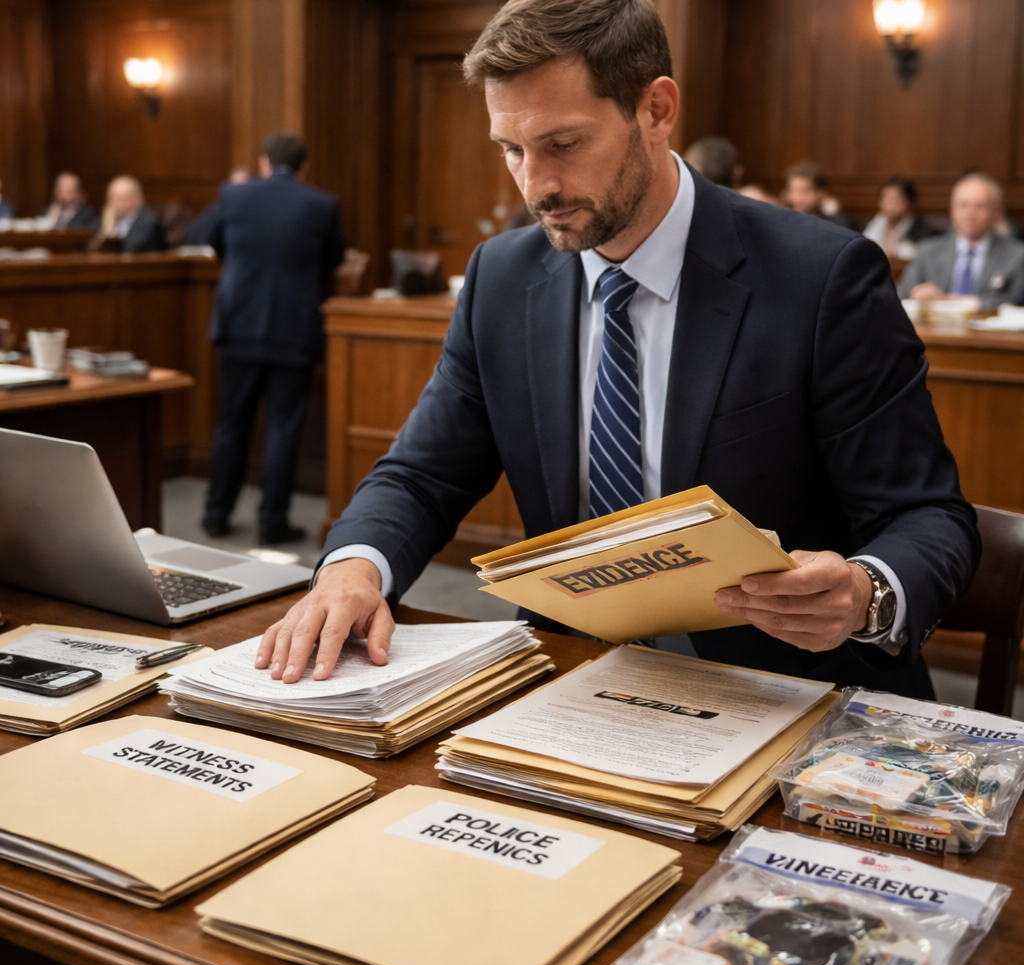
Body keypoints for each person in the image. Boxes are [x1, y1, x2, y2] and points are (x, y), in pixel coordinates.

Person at [257, 0, 978, 701]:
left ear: (657, 110)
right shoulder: (502, 279)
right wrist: (352, 571)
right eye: (512, 150)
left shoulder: (820, 277)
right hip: (573, 680)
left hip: (784, 691)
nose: (536, 186)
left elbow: (929, 517)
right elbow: (420, 476)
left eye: (563, 144)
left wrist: (865, 592)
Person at [203, 133, 345, 546]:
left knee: (232, 423)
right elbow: (334, 257)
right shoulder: (321, 204)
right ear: (304, 168)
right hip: (293, 330)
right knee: (282, 429)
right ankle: (272, 522)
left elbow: (214, 241)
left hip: (240, 326)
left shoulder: (234, 195)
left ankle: (215, 514)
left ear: (264, 162)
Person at [898, 173, 1024, 309]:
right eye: (963, 205)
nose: (970, 213)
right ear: (952, 210)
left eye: (980, 206)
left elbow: (1014, 301)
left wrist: (960, 303)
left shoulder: (1017, 256)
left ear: (996, 211)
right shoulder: (928, 252)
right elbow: (900, 294)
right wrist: (915, 294)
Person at [861, 175, 937, 260]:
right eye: (885, 198)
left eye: (895, 199)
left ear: (909, 202)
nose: (889, 204)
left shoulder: (924, 233)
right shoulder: (867, 227)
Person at [91, 176, 166, 253]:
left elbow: (135, 247)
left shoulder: (148, 221)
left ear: (138, 199)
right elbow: (89, 244)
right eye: (112, 198)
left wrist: (110, 237)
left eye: (121, 198)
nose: (115, 203)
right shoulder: (104, 222)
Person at [184, 167, 251, 247]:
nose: (239, 191)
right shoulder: (214, 213)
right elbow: (195, 234)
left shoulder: (253, 215)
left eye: (244, 186)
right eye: (236, 186)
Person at [782, 162, 850, 228]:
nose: (796, 198)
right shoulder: (783, 223)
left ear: (821, 193)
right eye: (792, 190)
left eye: (804, 191)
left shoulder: (834, 225)